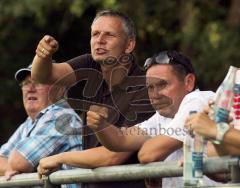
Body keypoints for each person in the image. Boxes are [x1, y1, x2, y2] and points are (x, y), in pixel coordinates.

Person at [33, 10, 154, 188]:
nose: (100, 40)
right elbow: (44, 76)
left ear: (129, 45)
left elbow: (112, 155)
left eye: (109, 35)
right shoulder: (91, 65)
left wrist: (59, 158)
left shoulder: (146, 89)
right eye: (95, 34)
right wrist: (42, 56)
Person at [86, 50, 221, 187]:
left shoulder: (198, 100)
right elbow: (120, 140)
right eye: (150, 87)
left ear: (189, 82)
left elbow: (148, 155)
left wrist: (154, 166)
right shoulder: (162, 116)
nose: (155, 95)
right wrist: (100, 126)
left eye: (162, 84)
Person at [0, 64, 83, 188]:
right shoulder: (30, 122)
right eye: (26, 83)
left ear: (59, 89)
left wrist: (15, 169)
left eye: (39, 82)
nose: (30, 89)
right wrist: (11, 169)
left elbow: (19, 162)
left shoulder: (62, 117)